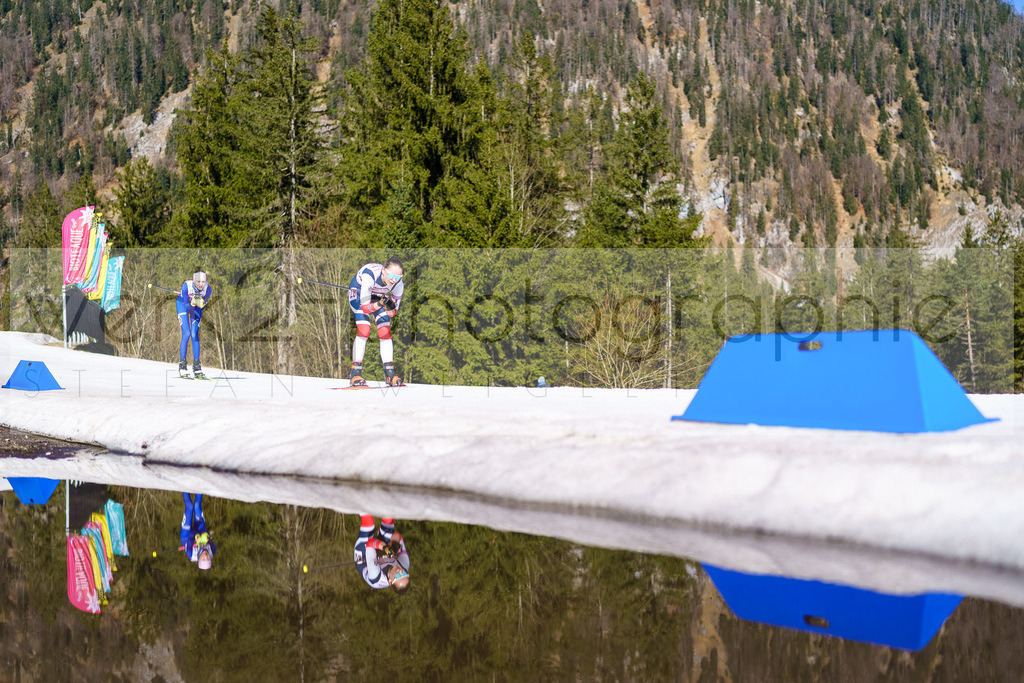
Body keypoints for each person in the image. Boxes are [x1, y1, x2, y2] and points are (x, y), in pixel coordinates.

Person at [348, 258, 405, 387]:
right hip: (359, 293)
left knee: (385, 331)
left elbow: (392, 313)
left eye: (398, 277)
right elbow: (365, 308)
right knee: (364, 328)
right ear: (383, 271)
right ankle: (355, 373)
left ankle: (390, 373)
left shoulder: (398, 285)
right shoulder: (370, 275)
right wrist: (380, 304)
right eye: (391, 275)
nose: (393, 280)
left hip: (378, 297)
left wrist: (390, 306)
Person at [353, 514, 410, 594]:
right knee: (388, 518)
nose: (399, 571)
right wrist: (394, 544)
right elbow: (397, 536)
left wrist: (385, 548)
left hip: (363, 559)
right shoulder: (404, 564)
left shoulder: (376, 576)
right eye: (404, 573)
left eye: (397, 576)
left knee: (369, 524)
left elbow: (370, 543)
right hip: (382, 552)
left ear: (390, 581)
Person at [177, 270, 212, 378]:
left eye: (203, 281)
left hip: (196, 308)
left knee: (194, 334)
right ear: (194, 280)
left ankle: (197, 366)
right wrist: (192, 303)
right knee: (187, 333)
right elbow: (186, 305)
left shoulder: (208, 289)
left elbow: (202, 306)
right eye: (198, 281)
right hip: (182, 305)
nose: (201, 284)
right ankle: (182, 365)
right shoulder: (186, 287)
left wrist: (201, 303)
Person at [180, 493, 216, 571]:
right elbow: (207, 534)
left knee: (189, 506)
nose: (206, 556)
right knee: (197, 506)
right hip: (200, 531)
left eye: (203, 559)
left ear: (199, 559)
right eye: (208, 559)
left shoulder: (190, 553)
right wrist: (205, 536)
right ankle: (199, 487)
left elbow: (190, 535)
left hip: (186, 537)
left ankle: (184, 488)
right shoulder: (213, 550)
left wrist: (196, 536)